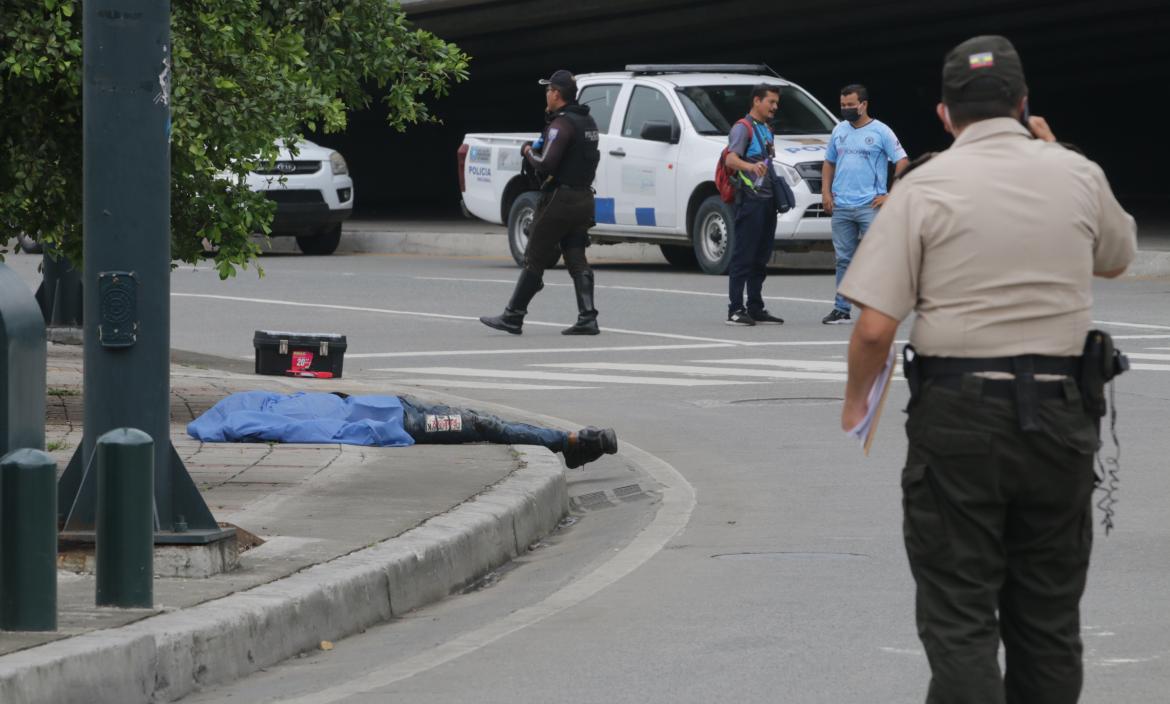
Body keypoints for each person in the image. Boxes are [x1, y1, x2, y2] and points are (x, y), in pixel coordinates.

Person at [838, 36, 1136, 703]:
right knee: (1049, 621)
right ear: (1025, 102)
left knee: (962, 617)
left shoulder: (924, 185)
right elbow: (1117, 257)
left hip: (959, 419)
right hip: (1062, 414)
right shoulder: (1076, 173)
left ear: (944, 114)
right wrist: (1058, 153)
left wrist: (858, 402)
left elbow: (876, 328)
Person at [188, 390, 619, 470]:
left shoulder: (260, 403)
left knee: (475, 419)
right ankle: (568, 443)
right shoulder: (264, 418)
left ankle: (567, 444)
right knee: (483, 426)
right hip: (401, 420)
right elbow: (322, 431)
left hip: (395, 404)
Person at [480, 69, 602, 336]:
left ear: (556, 94)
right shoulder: (588, 122)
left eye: (548, 90)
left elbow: (546, 164)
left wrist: (527, 151)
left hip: (560, 199)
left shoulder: (562, 124)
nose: (546, 94)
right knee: (576, 256)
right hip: (583, 199)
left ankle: (513, 316)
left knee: (533, 256)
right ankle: (588, 317)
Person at [821, 84, 909, 325]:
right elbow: (829, 162)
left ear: (863, 104)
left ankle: (881, 308)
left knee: (877, 257)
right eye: (843, 105)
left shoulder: (881, 131)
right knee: (843, 259)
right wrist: (825, 192)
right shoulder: (839, 130)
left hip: (870, 206)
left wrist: (891, 193)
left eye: (851, 105)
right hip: (842, 205)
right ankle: (841, 309)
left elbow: (902, 161)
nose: (846, 109)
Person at [722, 84, 788, 326]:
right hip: (750, 200)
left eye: (776, 103)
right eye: (771, 102)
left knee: (760, 256)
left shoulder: (765, 129)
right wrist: (750, 167)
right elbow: (731, 159)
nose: (774, 107)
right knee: (743, 255)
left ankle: (755, 306)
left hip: (767, 201)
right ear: (757, 101)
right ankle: (735, 309)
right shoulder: (743, 128)